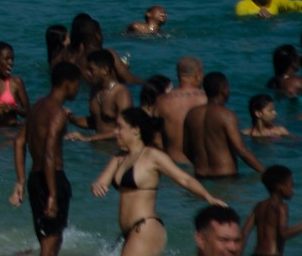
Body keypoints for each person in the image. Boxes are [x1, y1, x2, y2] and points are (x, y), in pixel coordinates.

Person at [90, 108, 226, 256]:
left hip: (146, 228)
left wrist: (208, 197)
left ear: (136, 130)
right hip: (129, 232)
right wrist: (96, 185)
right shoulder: (119, 158)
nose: (115, 131)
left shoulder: (152, 156)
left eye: (120, 127)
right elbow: (101, 182)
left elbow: (184, 179)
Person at [11, 62, 81, 256]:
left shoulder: (37, 107)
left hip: (35, 180)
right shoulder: (57, 113)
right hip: (53, 179)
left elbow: (18, 142)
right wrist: (52, 195)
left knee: (46, 240)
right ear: (68, 83)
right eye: (77, 84)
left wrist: (20, 181)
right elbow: (50, 153)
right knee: (53, 240)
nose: (78, 89)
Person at [244, 166, 302, 256]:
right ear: (280, 187)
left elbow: (245, 233)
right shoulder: (282, 206)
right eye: (291, 185)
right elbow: (284, 234)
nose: (292, 189)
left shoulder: (259, 206)